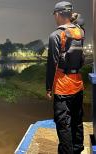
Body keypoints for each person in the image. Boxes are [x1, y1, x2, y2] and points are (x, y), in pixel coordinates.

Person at [46, 1, 85, 153]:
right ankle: (78, 149)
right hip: (78, 85)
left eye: (55, 14)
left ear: (58, 14)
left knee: (63, 125)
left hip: (62, 87)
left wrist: (49, 87)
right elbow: (80, 20)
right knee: (77, 120)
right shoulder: (80, 32)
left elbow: (52, 64)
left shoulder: (56, 35)